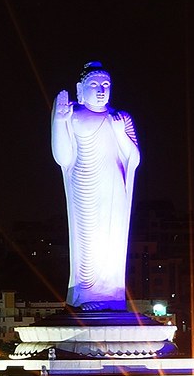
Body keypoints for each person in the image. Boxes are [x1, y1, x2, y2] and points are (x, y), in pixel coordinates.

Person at [51, 62, 140, 311]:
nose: (101, 90)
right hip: (84, 181)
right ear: (80, 88)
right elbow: (63, 156)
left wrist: (120, 132)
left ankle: (110, 295)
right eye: (94, 84)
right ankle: (86, 294)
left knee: (112, 239)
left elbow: (134, 158)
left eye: (106, 85)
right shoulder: (74, 114)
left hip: (113, 185)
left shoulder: (120, 117)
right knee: (87, 240)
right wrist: (59, 121)